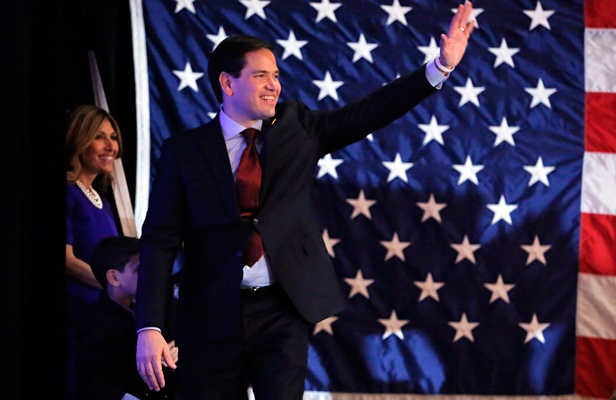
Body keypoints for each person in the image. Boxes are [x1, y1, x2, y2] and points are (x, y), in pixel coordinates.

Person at [136, 3, 476, 399]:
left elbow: (370, 112)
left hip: (282, 310)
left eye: (276, 76)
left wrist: (439, 68)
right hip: (209, 313)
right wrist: (149, 327)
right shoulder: (185, 151)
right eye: (261, 76)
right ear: (227, 84)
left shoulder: (297, 126)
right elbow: (159, 241)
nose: (273, 86)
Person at [76, 236, 178, 400]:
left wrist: (171, 354)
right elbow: (88, 380)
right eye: (140, 269)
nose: (151, 275)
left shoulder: (155, 308)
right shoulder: (95, 321)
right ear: (114, 278)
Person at [66, 104, 122, 398]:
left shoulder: (103, 200)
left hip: (99, 326)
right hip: (75, 321)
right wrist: (116, 287)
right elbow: (66, 260)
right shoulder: (68, 191)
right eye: (100, 137)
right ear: (79, 139)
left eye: (113, 137)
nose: (110, 145)